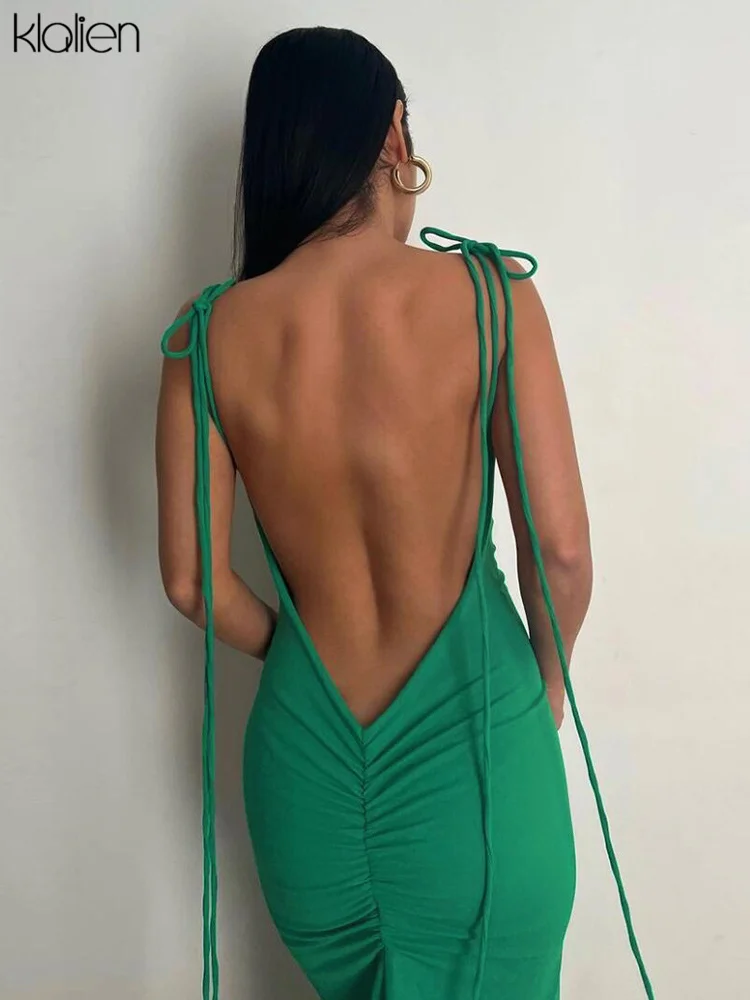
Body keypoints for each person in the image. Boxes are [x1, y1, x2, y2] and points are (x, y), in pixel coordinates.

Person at [156, 25, 653, 1000]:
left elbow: (192, 583)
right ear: (393, 136)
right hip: (480, 754)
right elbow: (560, 550)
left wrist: (297, 653)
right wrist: (544, 688)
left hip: (306, 777)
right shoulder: (489, 297)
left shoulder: (207, 336)